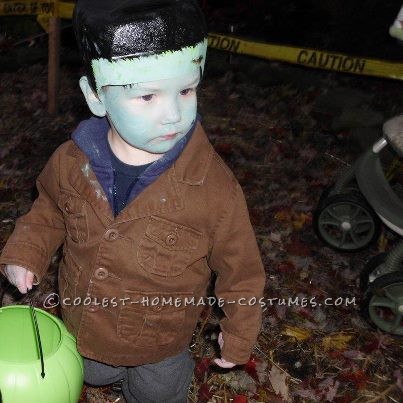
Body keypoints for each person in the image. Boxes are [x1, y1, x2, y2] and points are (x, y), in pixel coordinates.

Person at [0, 0, 266, 401]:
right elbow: (49, 210)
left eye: (186, 89)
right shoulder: (72, 163)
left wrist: (239, 335)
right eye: (147, 97)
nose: (174, 114)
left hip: (159, 341)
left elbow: (241, 272)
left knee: (156, 391)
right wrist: (26, 254)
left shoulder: (215, 191)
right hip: (84, 320)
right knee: (91, 370)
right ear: (96, 97)